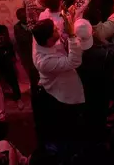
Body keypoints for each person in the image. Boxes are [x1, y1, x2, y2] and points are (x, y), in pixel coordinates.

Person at [31, 13, 85, 147]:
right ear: (49, 40)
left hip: (64, 86)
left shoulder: (40, 37)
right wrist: (72, 35)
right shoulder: (44, 61)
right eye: (55, 30)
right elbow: (74, 61)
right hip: (62, 95)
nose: (58, 30)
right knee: (68, 127)